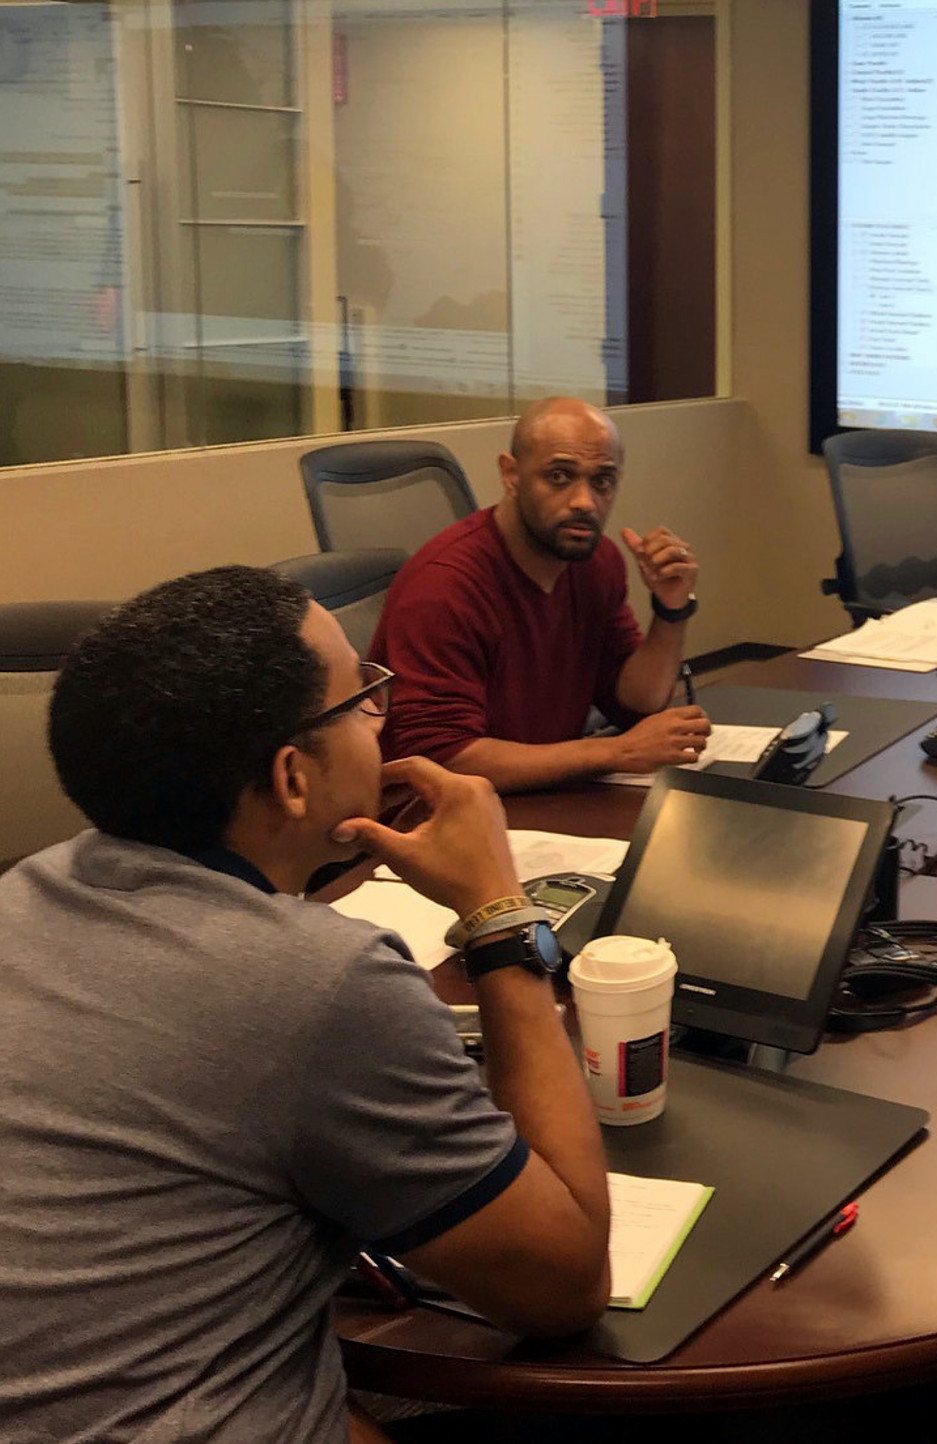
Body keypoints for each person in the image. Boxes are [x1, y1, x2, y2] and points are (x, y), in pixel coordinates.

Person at [0, 566, 611, 1444]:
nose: (382, 712)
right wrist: (499, 916)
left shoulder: (26, 889)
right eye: (363, 695)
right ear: (292, 779)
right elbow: (564, 1286)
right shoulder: (323, 982)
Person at [371, 395, 713, 792]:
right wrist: (616, 753)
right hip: (430, 816)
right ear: (511, 475)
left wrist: (670, 610)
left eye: (602, 481)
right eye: (559, 477)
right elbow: (443, 758)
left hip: (541, 800)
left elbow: (637, 700)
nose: (584, 502)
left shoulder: (598, 562)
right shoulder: (445, 587)